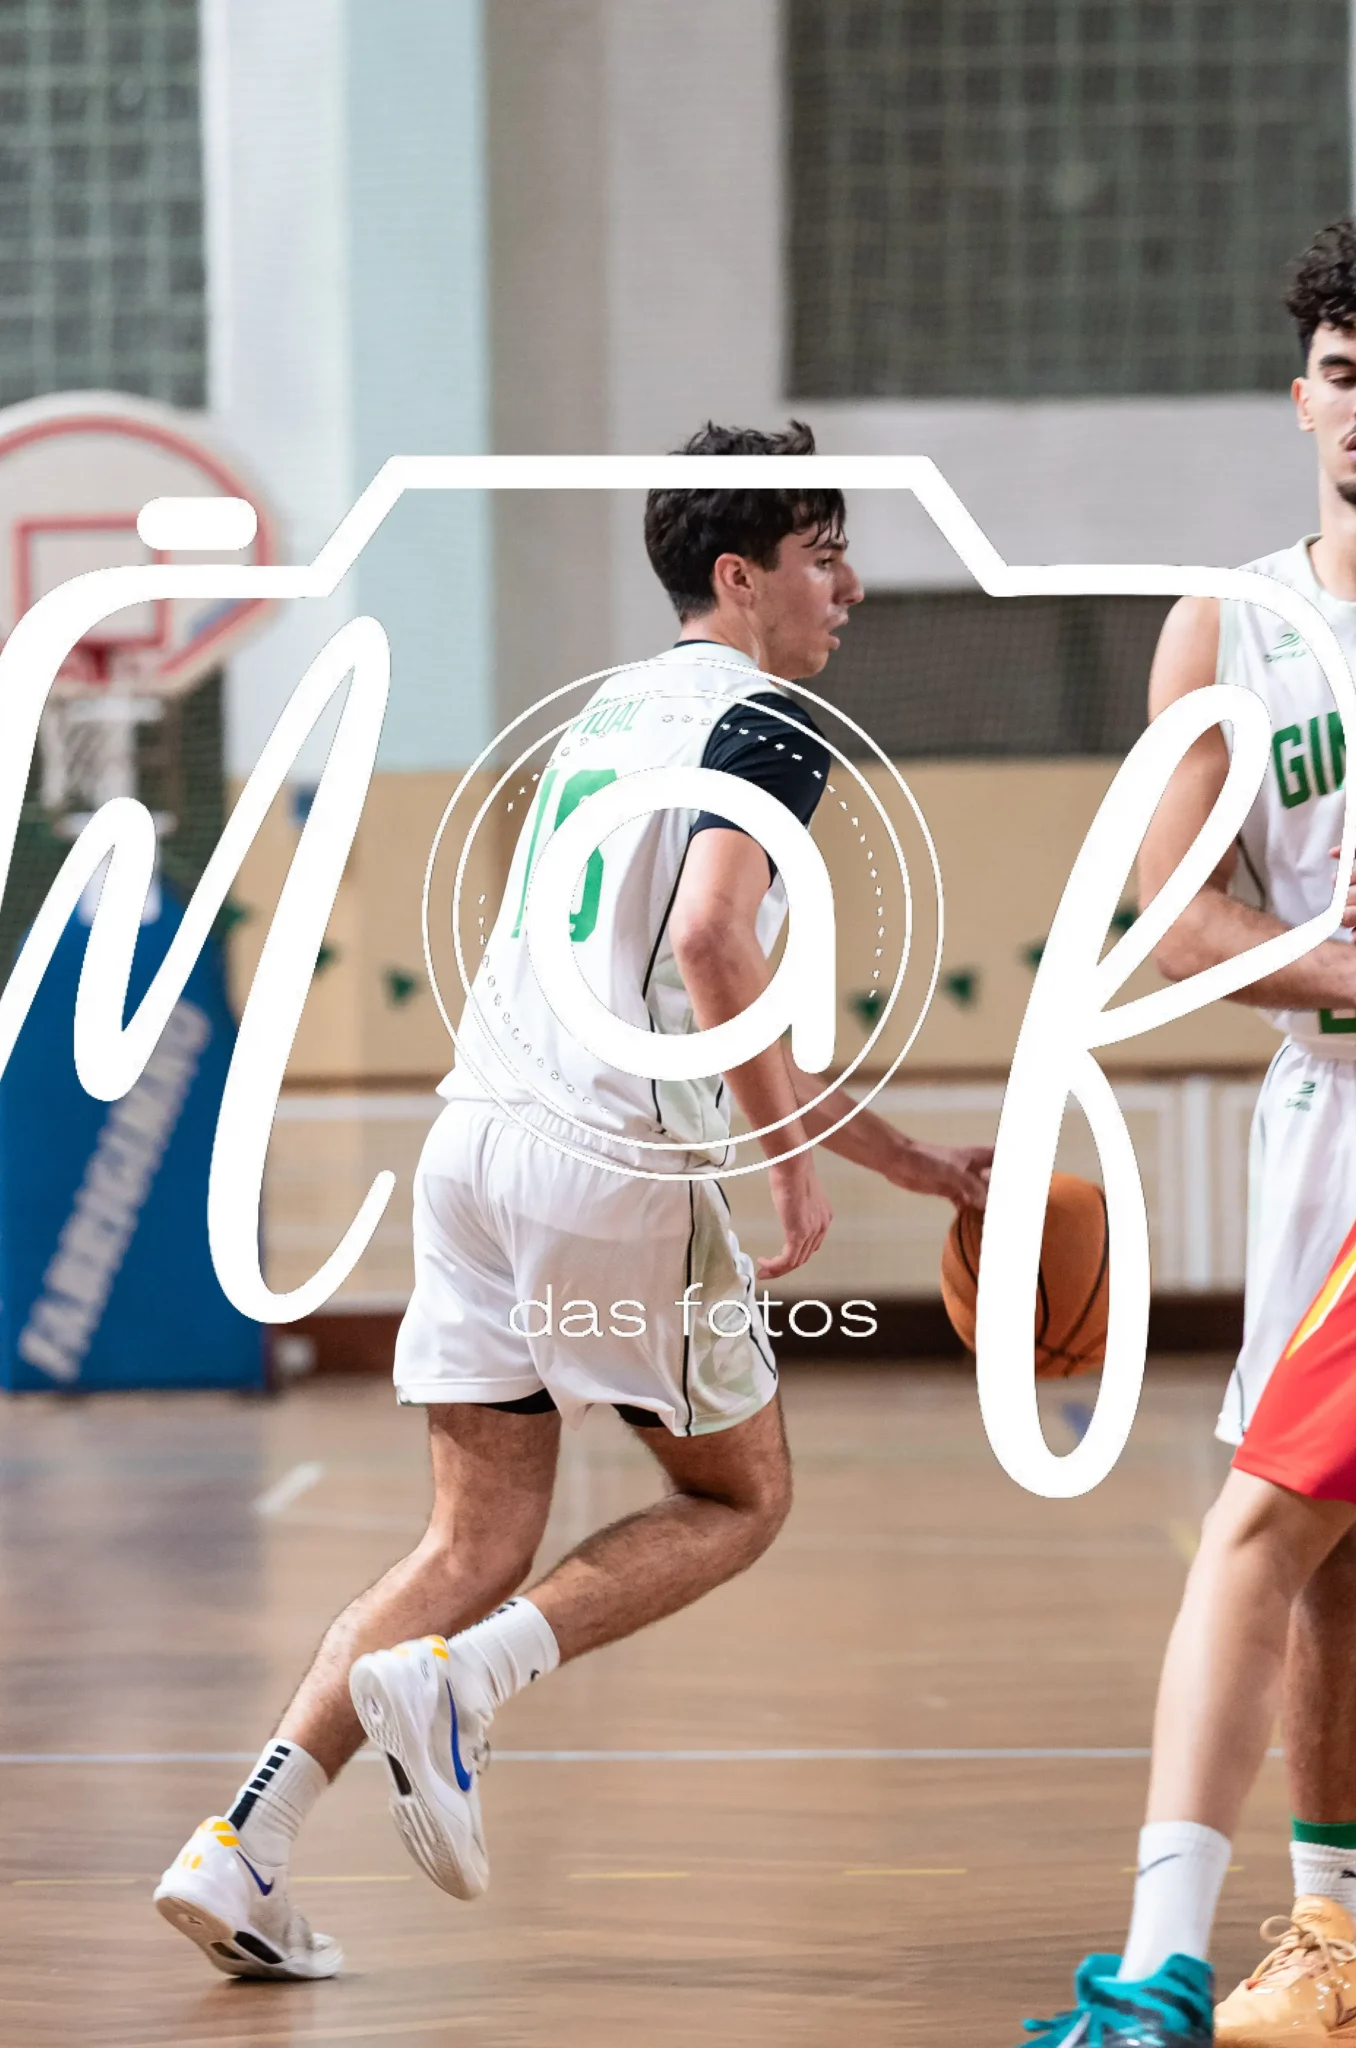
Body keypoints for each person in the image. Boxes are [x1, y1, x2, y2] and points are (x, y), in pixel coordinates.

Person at [153, 419, 992, 1980]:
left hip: (477, 1140)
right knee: (739, 1499)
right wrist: (791, 1167)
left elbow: (709, 999)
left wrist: (919, 1167)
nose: (852, 588)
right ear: (739, 577)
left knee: (468, 1540)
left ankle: (241, 1847)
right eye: (824, 557)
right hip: (612, 1153)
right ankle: (463, 1687)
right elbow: (712, 948)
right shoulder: (770, 721)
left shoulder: (606, 715)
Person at [1015, 218, 1356, 2047]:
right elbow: (1174, 914)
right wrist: (1341, 961)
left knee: (1266, 1537)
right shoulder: (1232, 627)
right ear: (1300, 396)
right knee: (1320, 1553)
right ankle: (1330, 1926)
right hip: (1328, 1115)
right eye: (1346, 375)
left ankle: (1174, 1955)